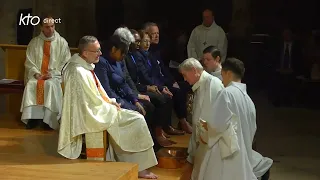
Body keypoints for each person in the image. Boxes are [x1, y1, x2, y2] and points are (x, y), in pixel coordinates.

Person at [58, 36, 158, 179]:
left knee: (137, 117)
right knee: (137, 120)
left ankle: (126, 162)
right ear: (85, 53)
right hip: (91, 114)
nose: (100, 53)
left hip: (99, 108)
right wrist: (110, 106)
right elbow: (86, 104)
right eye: (97, 51)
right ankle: (139, 167)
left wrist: (110, 101)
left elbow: (95, 94)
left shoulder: (85, 66)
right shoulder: (77, 71)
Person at [180, 58, 273, 180]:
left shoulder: (227, 93)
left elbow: (216, 124)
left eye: (222, 74)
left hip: (226, 152)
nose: (221, 79)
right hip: (242, 149)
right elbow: (252, 127)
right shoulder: (248, 100)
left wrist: (205, 130)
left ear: (228, 73)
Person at [125, 29, 178, 146]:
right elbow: (130, 80)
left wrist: (156, 86)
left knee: (165, 97)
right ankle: (154, 136)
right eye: (136, 41)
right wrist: (145, 89)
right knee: (157, 101)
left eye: (139, 41)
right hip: (135, 90)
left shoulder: (135, 55)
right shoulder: (127, 57)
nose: (138, 44)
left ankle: (160, 132)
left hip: (138, 87)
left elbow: (152, 74)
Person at [21, 14, 71, 130]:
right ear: (41, 28)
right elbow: (29, 61)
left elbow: (66, 62)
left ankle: (48, 119)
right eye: (47, 27)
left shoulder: (62, 42)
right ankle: (33, 118)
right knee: (31, 84)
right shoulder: (34, 43)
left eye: (52, 26)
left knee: (50, 85)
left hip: (55, 76)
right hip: (38, 75)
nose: (50, 29)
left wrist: (53, 74)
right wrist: (35, 73)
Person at [178, 57, 224, 180]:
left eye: (185, 75)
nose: (184, 79)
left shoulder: (212, 84)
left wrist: (193, 153)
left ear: (194, 70)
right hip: (202, 138)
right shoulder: (201, 84)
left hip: (210, 141)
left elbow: (208, 121)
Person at [143, 23, 193, 133]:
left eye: (157, 33)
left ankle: (182, 121)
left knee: (184, 85)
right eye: (153, 34)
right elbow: (153, 75)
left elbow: (164, 69)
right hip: (157, 83)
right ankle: (174, 124)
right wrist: (164, 85)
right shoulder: (146, 53)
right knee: (174, 91)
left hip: (163, 80)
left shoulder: (157, 50)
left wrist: (173, 80)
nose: (156, 36)